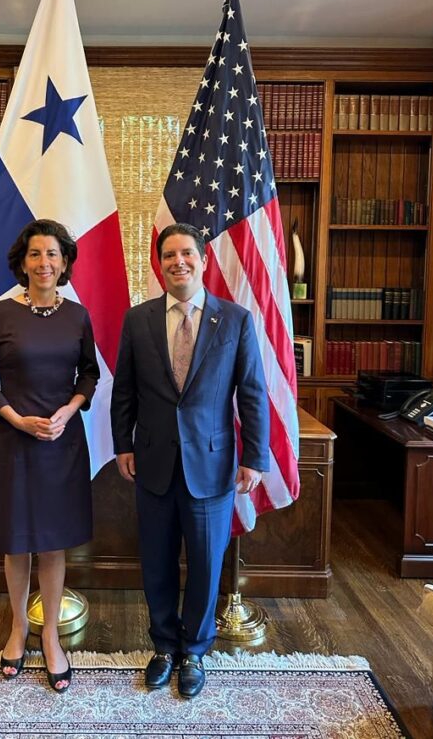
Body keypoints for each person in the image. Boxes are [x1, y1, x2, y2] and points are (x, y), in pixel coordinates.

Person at [110, 223, 270, 698]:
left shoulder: (235, 320)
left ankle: (195, 652)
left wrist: (255, 457)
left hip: (213, 467)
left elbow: (253, 393)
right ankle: (163, 647)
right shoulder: (137, 321)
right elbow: (124, 391)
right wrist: (124, 443)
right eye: (168, 256)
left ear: (202, 261)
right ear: (159, 266)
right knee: (156, 563)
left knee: (204, 564)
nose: (177, 262)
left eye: (186, 254)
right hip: (153, 464)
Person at [0, 218, 99, 693]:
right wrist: (16, 418)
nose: (44, 263)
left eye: (52, 254)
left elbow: (90, 375)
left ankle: (49, 637)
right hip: (14, 439)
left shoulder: (77, 316)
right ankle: (18, 628)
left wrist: (68, 410)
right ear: (21, 262)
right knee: (17, 539)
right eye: (35, 254)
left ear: (65, 263)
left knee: (53, 540)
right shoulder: (0, 315)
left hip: (62, 441)